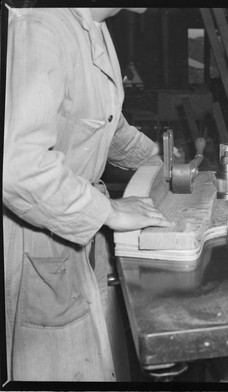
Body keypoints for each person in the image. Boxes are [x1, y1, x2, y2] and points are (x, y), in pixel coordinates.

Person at [3, 7, 172, 381]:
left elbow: (107, 122)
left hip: (71, 225)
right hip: (34, 233)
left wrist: (159, 161)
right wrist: (108, 212)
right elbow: (17, 167)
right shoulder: (40, 28)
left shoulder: (94, 26)